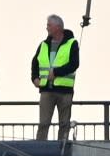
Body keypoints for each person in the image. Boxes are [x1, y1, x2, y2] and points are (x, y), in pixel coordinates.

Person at [32, 15, 79, 143]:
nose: (47, 28)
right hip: (47, 89)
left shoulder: (72, 43)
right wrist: (34, 78)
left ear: (57, 27)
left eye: (49, 25)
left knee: (64, 123)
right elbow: (35, 63)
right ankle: (40, 147)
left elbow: (74, 64)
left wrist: (56, 72)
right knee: (43, 123)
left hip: (65, 90)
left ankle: (61, 147)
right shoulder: (43, 44)